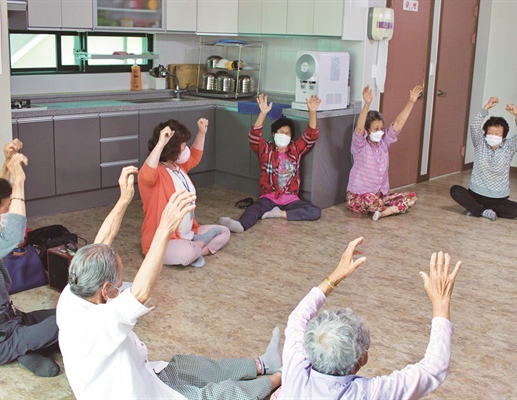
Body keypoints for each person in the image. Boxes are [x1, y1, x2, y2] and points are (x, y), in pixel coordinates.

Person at [57, 167, 282, 400]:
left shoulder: (73, 293)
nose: (123, 282)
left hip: (143, 374)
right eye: (119, 279)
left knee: (195, 367)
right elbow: (141, 292)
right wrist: (164, 228)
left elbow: (100, 244)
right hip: (141, 394)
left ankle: (263, 364)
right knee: (217, 395)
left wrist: (124, 199)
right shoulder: (98, 325)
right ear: (105, 290)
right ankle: (279, 379)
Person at [275, 237, 462, 399]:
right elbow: (435, 367)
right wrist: (441, 301)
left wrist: (335, 276)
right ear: (362, 358)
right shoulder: (369, 394)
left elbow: (297, 318)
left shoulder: (295, 371)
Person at [0, 140, 60, 377]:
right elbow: (14, 234)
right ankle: (19, 347)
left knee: (69, 312)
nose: (9, 212)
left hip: (10, 319)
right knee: (72, 321)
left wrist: (6, 163)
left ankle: (24, 349)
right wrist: (19, 181)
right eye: (7, 207)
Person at [219, 94, 322, 233]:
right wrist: (263, 113)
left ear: (291, 137)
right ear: (274, 134)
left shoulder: (295, 149)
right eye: (281, 132)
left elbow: (311, 135)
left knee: (314, 211)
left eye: (287, 133)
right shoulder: (266, 149)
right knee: (254, 209)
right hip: (268, 198)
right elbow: (254, 137)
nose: (284, 135)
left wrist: (312, 112)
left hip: (291, 200)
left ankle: (279, 214)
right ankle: (240, 225)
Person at [138, 118, 230, 268]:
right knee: (187, 253)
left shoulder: (178, 166)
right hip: (164, 241)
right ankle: (198, 247)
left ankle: (195, 247)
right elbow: (146, 175)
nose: (186, 148)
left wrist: (201, 133)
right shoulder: (155, 173)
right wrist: (161, 143)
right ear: (172, 149)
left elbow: (194, 156)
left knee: (224, 232)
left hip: (189, 233)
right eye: (183, 145)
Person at [345, 85, 422, 221]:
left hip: (380, 196)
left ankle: (382, 212)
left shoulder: (383, 143)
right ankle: (386, 210)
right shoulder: (360, 145)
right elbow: (359, 127)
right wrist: (367, 104)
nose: (380, 132)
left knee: (412, 197)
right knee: (372, 201)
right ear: (368, 131)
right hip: (359, 196)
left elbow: (398, 123)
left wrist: (411, 102)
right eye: (376, 129)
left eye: (381, 128)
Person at [450, 97, 517, 220]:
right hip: (475, 194)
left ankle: (476, 209)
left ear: (503, 136)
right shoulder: (480, 143)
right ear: (485, 133)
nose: (492, 135)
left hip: (498, 199)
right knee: (455, 190)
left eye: (497, 133)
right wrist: (487, 107)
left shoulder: (509, 147)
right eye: (490, 132)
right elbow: (474, 126)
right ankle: (483, 211)